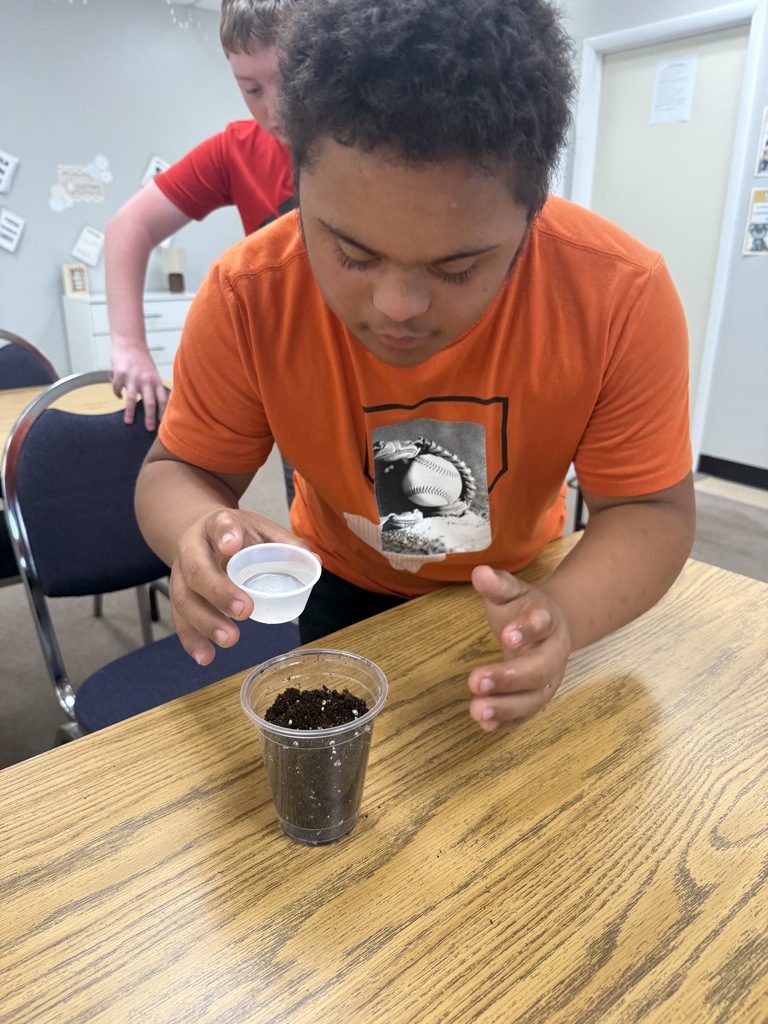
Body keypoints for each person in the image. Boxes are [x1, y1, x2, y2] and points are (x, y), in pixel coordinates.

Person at [135, 0, 696, 733]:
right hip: (343, 586)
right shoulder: (249, 295)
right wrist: (195, 531)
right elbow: (174, 470)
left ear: (533, 214)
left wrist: (561, 614)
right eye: (351, 253)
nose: (397, 307)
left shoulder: (618, 294)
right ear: (298, 182)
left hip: (524, 585)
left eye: (458, 267)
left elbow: (652, 511)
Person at [104, 0, 295, 434]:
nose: (276, 109)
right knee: (307, 497)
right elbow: (128, 227)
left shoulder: (373, 140)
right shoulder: (236, 150)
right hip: (296, 382)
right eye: (252, 90)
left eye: (290, 79)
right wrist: (130, 343)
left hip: (394, 372)